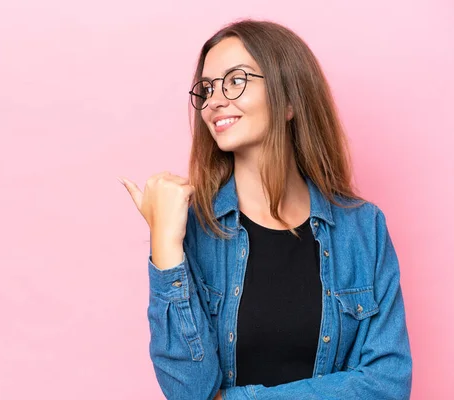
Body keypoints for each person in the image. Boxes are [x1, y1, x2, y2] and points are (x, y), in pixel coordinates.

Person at [119, 19, 412, 400]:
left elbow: (388, 384)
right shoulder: (191, 228)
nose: (214, 101)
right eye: (206, 89)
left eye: (235, 80)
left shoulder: (362, 228)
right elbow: (190, 392)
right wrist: (166, 247)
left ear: (289, 99)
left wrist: (240, 398)